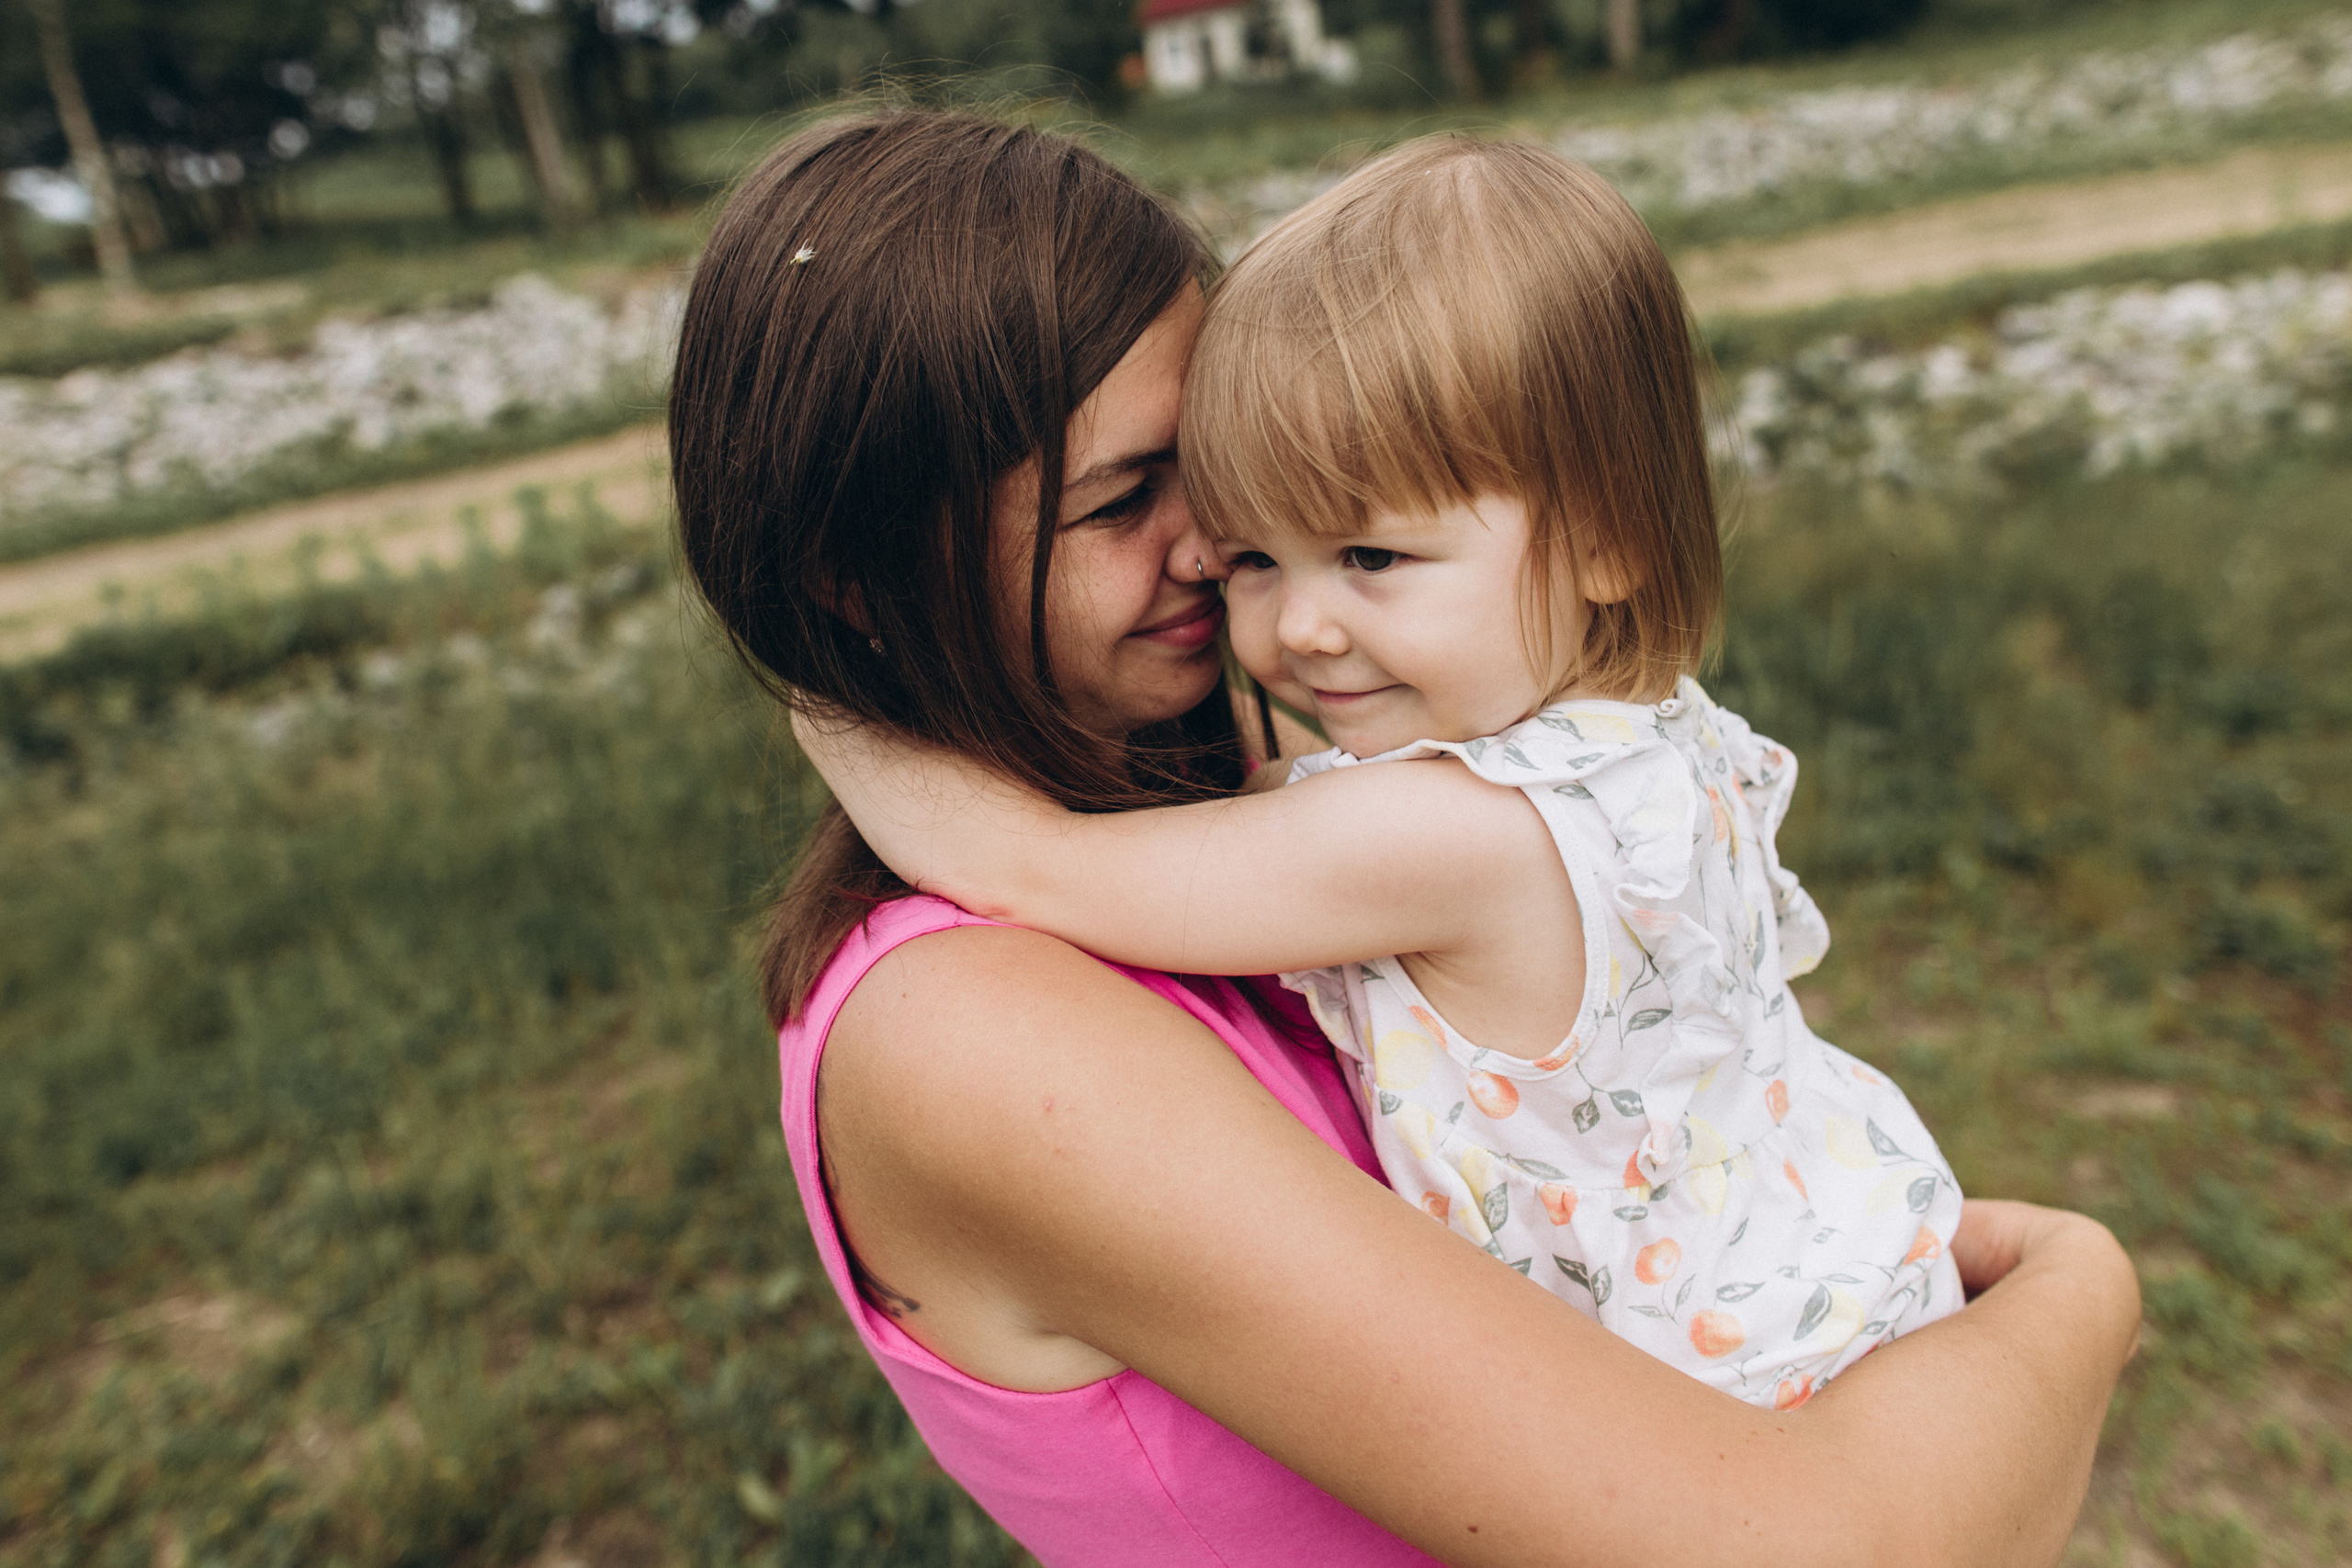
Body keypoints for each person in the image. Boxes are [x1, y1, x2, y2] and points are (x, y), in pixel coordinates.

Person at [673, 108, 2141, 1567]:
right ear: (856, 578)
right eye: (1128, 497)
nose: (1217, 543)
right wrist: (2078, 1295)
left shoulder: (1291, 811)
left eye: (1212, 467)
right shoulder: (974, 1034)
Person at [806, 136, 1965, 1414]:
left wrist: (834, 708)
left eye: (1369, 557)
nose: (1299, 629)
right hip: (1833, 1281)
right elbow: (1279, 807)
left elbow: (1037, 866)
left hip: (1731, 1387)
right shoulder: (1636, 742)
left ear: (1606, 543)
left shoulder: (1459, 835)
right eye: (1258, 559)